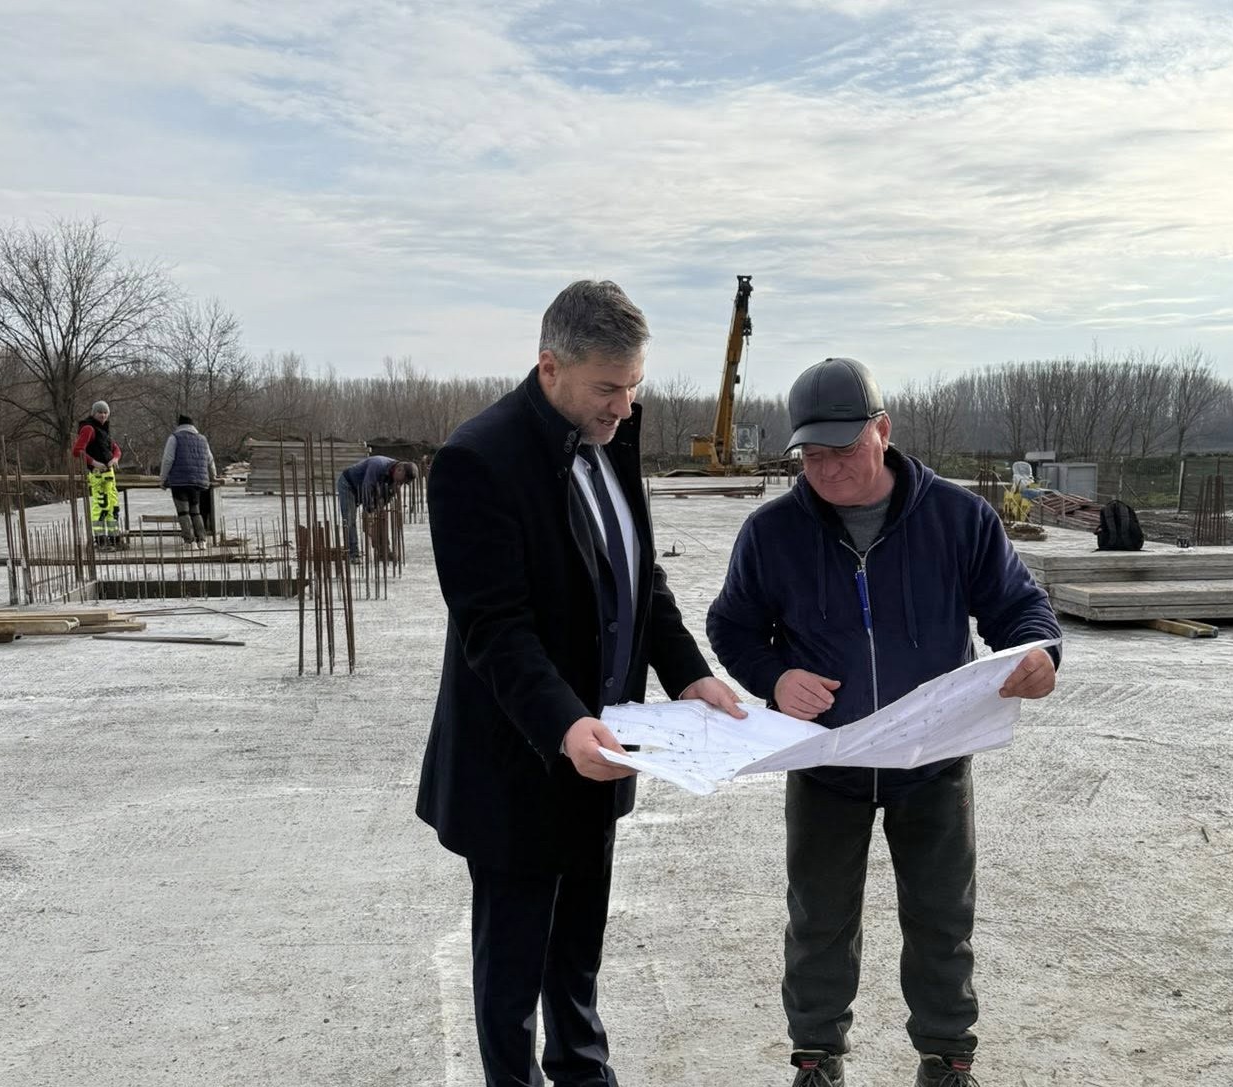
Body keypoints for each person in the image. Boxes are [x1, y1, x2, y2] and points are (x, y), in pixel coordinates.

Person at [417, 279, 745, 1087]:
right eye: (608, 388)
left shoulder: (609, 442)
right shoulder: (477, 462)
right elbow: (494, 627)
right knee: (512, 974)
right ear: (549, 367)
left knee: (577, 955)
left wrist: (689, 674)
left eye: (634, 387)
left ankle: (584, 1073)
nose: (624, 408)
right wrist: (564, 724)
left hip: (602, 754)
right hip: (522, 763)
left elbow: (640, 582)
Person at [706, 357, 1063, 1087]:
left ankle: (947, 1057)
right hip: (826, 764)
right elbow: (732, 626)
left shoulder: (957, 518)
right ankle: (816, 1057)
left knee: (941, 917)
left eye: (842, 449)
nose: (827, 469)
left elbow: (1019, 608)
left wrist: (1039, 653)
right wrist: (776, 677)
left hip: (934, 763)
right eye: (811, 455)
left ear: (883, 431)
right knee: (819, 918)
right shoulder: (773, 532)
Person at [336, 455, 418, 560]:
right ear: (399, 470)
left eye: (403, 483)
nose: (400, 484)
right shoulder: (377, 464)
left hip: (366, 489)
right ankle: (353, 553)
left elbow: (386, 497)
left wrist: (378, 512)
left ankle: (383, 551)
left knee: (379, 519)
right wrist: (369, 513)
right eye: (401, 481)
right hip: (349, 485)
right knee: (350, 519)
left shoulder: (395, 476)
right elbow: (367, 488)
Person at [159, 414, 219, 548]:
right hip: (197, 482)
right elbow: (210, 460)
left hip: (179, 481)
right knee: (196, 511)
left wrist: (162, 479)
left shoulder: (174, 438)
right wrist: (213, 475)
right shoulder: (202, 439)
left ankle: (189, 541)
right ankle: (202, 540)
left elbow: (168, 459)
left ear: (179, 425)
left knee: (183, 512)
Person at [71, 399, 122, 547]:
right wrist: (94, 463)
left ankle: (114, 537)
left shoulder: (104, 430)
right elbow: (77, 450)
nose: (103, 415)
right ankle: (100, 539)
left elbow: (116, 449)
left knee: (113, 506)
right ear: (94, 413)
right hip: (98, 474)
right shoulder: (88, 428)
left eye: (105, 412)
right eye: (100, 412)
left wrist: (115, 459)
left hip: (109, 474)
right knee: (101, 506)